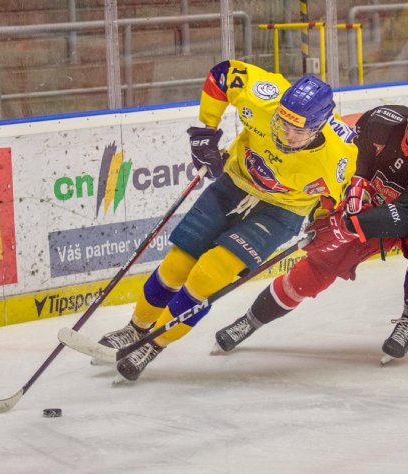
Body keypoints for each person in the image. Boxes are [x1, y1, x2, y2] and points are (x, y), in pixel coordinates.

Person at [100, 60, 358, 381]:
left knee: (209, 274)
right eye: (282, 123)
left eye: (297, 131)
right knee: (177, 263)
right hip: (235, 181)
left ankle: (152, 345)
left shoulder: (338, 157)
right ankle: (135, 329)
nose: (286, 134)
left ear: (317, 128)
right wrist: (207, 130)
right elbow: (222, 74)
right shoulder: (265, 96)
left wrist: (323, 225)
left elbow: (337, 203)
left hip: (282, 210)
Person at [213, 81, 408, 362]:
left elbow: (404, 216)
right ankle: (250, 320)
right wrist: (351, 188)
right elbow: (347, 151)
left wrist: (344, 226)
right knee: (313, 272)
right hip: (368, 207)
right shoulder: (383, 120)